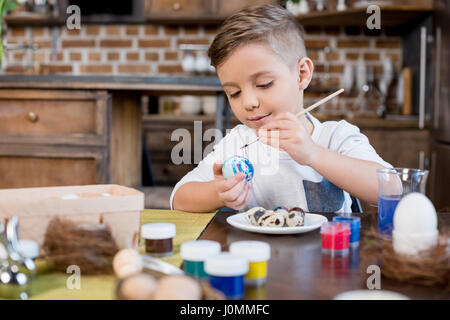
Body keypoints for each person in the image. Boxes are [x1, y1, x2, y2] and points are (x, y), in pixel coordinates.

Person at [171, 5, 391, 213]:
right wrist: (217, 194)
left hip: (326, 252)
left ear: (301, 74)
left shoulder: (335, 137)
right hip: (256, 252)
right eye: (234, 93)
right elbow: (179, 198)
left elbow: (392, 189)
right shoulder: (239, 144)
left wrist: (313, 154)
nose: (249, 102)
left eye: (264, 84)